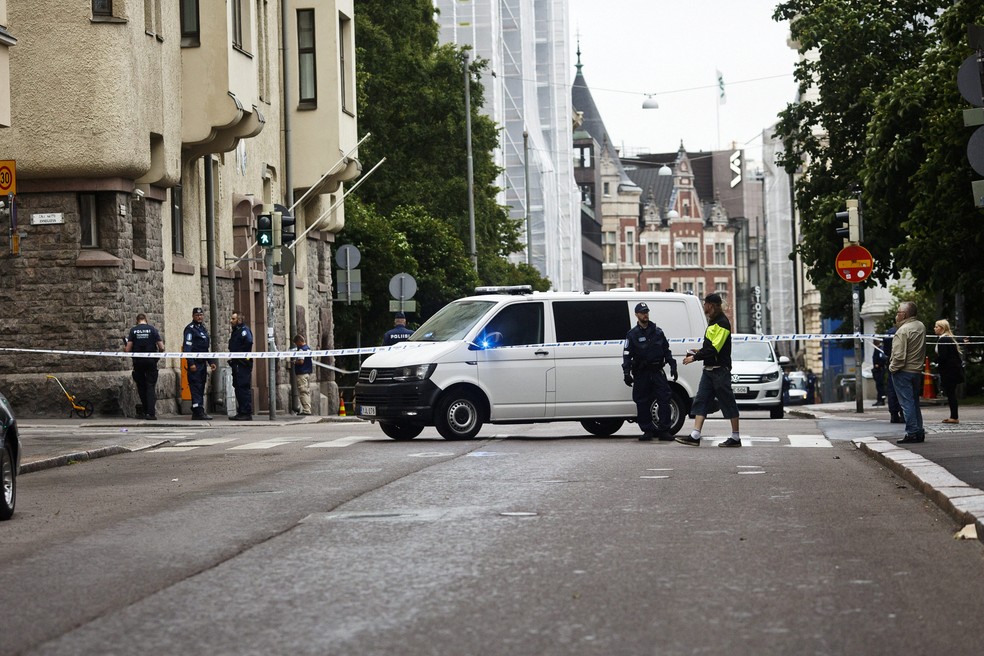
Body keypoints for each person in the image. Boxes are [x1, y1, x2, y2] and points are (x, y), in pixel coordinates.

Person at [675, 293, 742, 448]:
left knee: (728, 402)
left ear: (710, 305)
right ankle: (695, 435)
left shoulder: (722, 323)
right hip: (709, 371)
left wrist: (694, 357)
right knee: (701, 400)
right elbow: (711, 347)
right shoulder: (713, 322)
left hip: (720, 371)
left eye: (705, 303)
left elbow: (714, 349)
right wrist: (698, 351)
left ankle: (736, 437)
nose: (704, 306)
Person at [621, 302, 678, 441]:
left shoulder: (658, 332)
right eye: (642, 312)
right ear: (636, 315)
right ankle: (647, 430)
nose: (645, 314)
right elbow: (627, 354)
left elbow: (666, 350)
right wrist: (626, 373)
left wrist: (672, 364)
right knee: (642, 401)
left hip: (657, 371)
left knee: (664, 398)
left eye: (646, 312)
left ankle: (664, 430)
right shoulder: (632, 334)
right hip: (642, 372)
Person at [889, 301, 927, 444]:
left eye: (898, 312)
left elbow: (899, 356)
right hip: (916, 370)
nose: (896, 315)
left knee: (906, 403)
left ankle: (911, 432)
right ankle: (919, 431)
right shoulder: (920, 326)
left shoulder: (902, 331)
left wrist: (892, 368)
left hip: (903, 371)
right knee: (914, 402)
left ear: (904, 315)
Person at [124, 313, 164, 420]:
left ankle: (145, 410)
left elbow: (127, 349)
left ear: (137, 321)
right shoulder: (153, 329)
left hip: (138, 362)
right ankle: (151, 413)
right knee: (150, 386)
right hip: (151, 362)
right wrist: (157, 356)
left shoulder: (133, 330)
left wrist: (125, 346)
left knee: (141, 386)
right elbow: (161, 347)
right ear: (146, 320)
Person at [182, 306, 217, 421]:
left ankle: (198, 409)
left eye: (201, 315)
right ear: (193, 316)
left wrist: (211, 362)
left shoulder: (203, 329)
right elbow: (187, 348)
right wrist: (191, 363)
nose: (199, 317)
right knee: (196, 387)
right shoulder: (190, 329)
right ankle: (198, 411)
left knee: (201, 386)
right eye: (197, 315)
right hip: (195, 364)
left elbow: (205, 348)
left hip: (202, 363)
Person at [934, 318, 964, 424]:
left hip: (949, 371)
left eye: (936, 327)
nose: (934, 328)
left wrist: (935, 362)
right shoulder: (947, 338)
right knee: (951, 393)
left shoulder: (944, 339)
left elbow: (943, 356)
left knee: (951, 394)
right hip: (952, 370)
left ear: (942, 328)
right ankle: (953, 416)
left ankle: (954, 417)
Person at [228, 311, 254, 420]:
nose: (231, 321)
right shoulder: (236, 331)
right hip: (237, 363)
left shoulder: (244, 330)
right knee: (238, 387)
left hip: (242, 364)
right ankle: (242, 411)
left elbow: (248, 342)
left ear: (239, 320)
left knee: (242, 387)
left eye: (233, 319)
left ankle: (245, 412)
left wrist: (241, 356)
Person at [883, 326, 903, 423]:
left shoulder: (889, 333)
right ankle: (903, 413)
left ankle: (894, 414)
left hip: (891, 363)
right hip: (903, 364)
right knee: (903, 389)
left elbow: (886, 351)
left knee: (892, 389)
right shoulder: (904, 331)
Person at [293, 334, 314, 415]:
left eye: (296, 343)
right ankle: (307, 408)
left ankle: (306, 410)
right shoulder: (308, 348)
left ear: (299, 342)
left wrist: (295, 362)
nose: (296, 345)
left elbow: (301, 361)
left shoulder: (301, 350)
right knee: (306, 392)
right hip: (307, 372)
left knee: (303, 392)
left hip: (302, 373)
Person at [871, 338, 887, 406]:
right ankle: (880, 399)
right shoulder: (879, 349)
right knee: (879, 386)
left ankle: (881, 400)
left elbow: (882, 359)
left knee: (880, 386)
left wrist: (878, 365)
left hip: (879, 370)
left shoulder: (879, 349)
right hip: (878, 370)